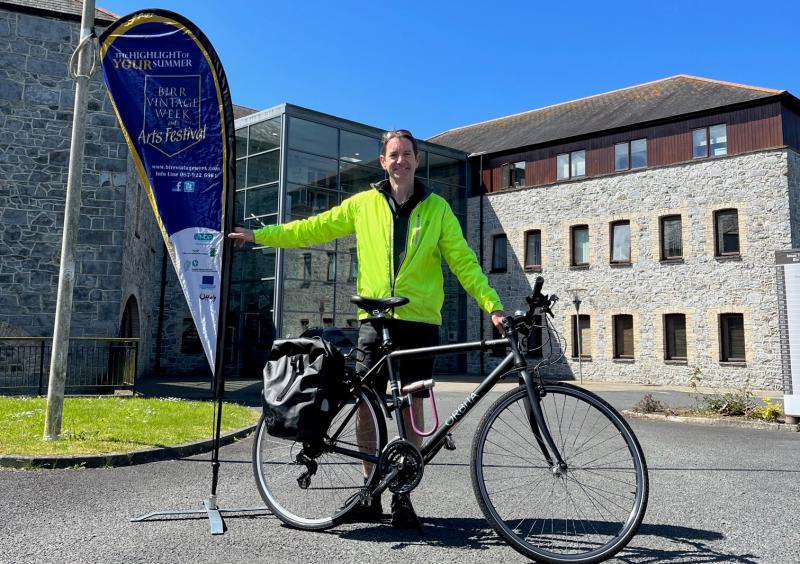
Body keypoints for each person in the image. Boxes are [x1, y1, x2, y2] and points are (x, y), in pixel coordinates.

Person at [229, 129, 504, 528]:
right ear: (383, 161)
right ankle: (369, 492)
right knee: (365, 406)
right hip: (374, 322)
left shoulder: (438, 209)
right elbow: (312, 228)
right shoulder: (363, 204)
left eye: (407, 154)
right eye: (393, 155)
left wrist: (492, 306)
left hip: (420, 321)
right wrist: (259, 235)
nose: (401, 161)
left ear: (416, 160)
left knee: (412, 412)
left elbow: (464, 262)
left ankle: (403, 497)